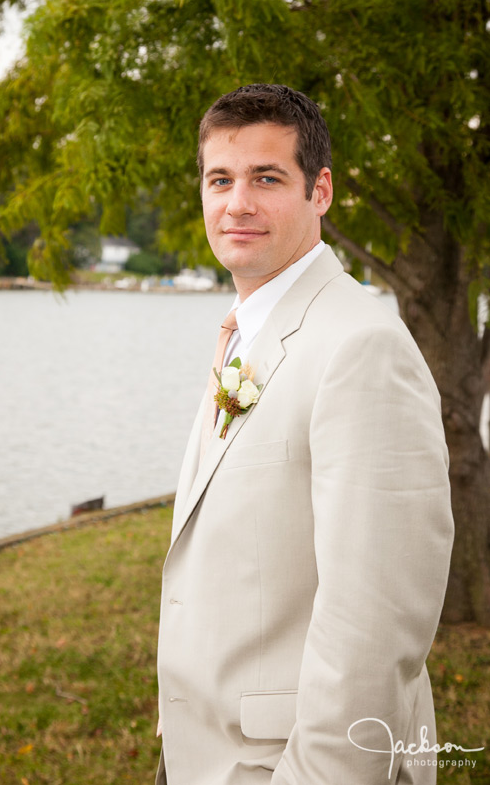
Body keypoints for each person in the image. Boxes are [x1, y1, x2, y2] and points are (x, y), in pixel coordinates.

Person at [156, 83, 454, 785]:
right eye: (220, 179)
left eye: (267, 178)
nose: (237, 204)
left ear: (319, 191)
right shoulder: (248, 333)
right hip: (205, 754)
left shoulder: (361, 347)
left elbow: (374, 628)